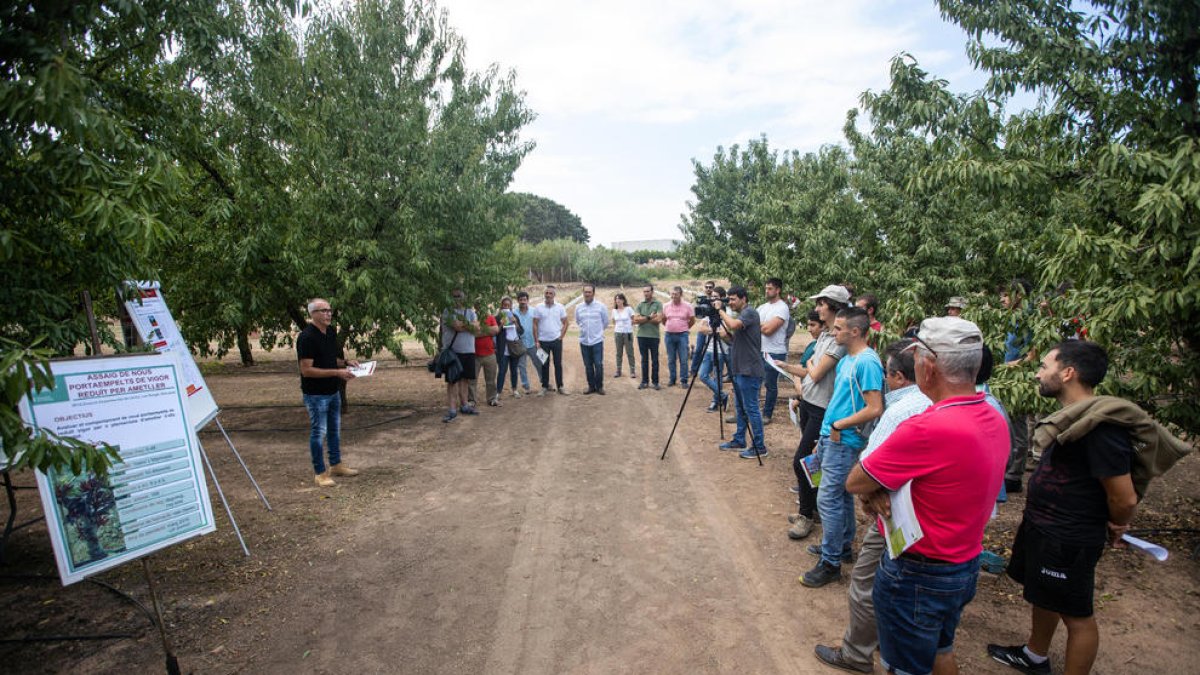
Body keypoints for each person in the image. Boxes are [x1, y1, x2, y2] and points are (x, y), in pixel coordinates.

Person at [846, 317, 1009, 675]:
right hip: (963, 563)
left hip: (918, 572)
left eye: (916, 355)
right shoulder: (993, 415)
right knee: (941, 650)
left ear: (929, 366)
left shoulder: (925, 428)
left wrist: (873, 491)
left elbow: (857, 481)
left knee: (904, 666)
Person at [987, 341, 1138, 675]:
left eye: (1045, 365)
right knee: (1045, 595)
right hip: (1046, 525)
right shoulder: (1072, 417)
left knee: (1076, 613)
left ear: (1068, 373)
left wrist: (1118, 524)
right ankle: (1035, 654)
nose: (1038, 373)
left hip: (1069, 536)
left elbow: (1124, 497)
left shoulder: (1101, 428)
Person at [813, 339, 932, 674]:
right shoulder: (940, 404)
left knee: (866, 581)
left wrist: (868, 494)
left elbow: (866, 471)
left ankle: (857, 652)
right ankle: (884, 638)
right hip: (918, 511)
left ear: (894, 376)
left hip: (897, 511)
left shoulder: (900, 410)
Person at [800, 306, 884, 588]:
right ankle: (841, 546)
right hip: (831, 438)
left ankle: (831, 562)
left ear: (855, 331)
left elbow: (875, 408)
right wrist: (826, 433)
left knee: (828, 499)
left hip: (844, 441)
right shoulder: (848, 358)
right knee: (839, 495)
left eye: (838, 328)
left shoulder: (867, 362)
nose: (833, 332)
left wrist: (839, 426)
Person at [778, 286, 849, 541]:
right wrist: (787, 366)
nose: (817, 309)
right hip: (810, 403)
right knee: (811, 463)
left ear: (832, 306)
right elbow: (812, 371)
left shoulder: (838, 341)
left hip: (822, 409)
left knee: (802, 461)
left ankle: (806, 515)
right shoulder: (824, 337)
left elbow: (816, 373)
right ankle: (813, 508)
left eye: (821, 304)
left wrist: (809, 366)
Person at [297, 299, 360, 487]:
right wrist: (337, 373)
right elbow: (306, 370)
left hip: (333, 391)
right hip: (316, 395)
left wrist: (347, 363)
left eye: (329, 310)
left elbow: (329, 359)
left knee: (334, 430)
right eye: (323, 310)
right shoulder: (306, 337)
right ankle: (320, 472)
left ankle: (336, 464)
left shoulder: (330, 332)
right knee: (319, 432)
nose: (328, 314)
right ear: (312, 314)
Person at [714, 286, 767, 459]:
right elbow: (737, 341)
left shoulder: (750, 313)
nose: (730, 302)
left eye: (733, 299)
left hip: (749, 369)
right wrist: (725, 336)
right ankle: (739, 439)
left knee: (751, 408)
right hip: (739, 369)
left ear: (744, 299)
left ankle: (759, 446)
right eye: (728, 299)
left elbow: (734, 324)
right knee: (740, 407)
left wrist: (720, 310)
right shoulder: (742, 315)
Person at [1001, 278, 1036, 494]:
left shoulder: (1029, 319)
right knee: (1009, 425)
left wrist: (1009, 366)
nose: (1003, 300)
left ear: (1020, 295)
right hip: (1008, 379)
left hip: (1020, 381)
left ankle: (1014, 475)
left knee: (1018, 425)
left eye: (1006, 295)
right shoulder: (1011, 319)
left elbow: (1034, 353)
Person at [441, 290, 479, 422]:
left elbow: (477, 328)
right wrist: (469, 325)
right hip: (453, 352)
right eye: (455, 296)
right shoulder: (448, 311)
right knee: (453, 381)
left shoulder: (470, 311)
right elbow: (456, 326)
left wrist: (466, 326)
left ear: (464, 297)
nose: (457, 298)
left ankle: (464, 405)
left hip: (468, 350)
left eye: (460, 296)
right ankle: (452, 409)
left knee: (465, 379)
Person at [758, 277, 791, 425]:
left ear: (778, 290)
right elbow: (754, 326)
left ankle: (767, 414)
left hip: (775, 351)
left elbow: (769, 330)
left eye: (770, 288)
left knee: (770, 384)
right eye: (766, 288)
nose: (767, 291)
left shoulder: (782, 307)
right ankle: (751, 411)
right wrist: (762, 326)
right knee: (755, 382)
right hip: (760, 350)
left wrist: (762, 326)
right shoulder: (762, 307)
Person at [696, 286, 729, 412]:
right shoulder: (709, 311)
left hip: (721, 351)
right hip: (708, 348)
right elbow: (701, 329)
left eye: (716, 297)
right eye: (712, 296)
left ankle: (715, 401)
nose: (713, 299)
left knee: (717, 377)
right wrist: (714, 331)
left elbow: (724, 334)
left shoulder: (725, 312)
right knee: (703, 375)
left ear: (722, 298)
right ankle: (722, 395)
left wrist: (711, 331)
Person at [532, 285, 569, 396]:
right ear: (544, 294)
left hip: (556, 341)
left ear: (554, 295)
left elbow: (566, 322)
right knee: (544, 364)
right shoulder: (538, 307)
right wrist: (536, 340)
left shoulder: (560, 307)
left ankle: (560, 387)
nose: (548, 295)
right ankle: (544, 387)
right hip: (542, 341)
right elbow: (534, 324)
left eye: (550, 293)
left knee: (558, 364)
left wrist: (561, 336)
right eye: (546, 293)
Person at [575, 283, 610, 394]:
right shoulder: (578, 307)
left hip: (597, 341)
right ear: (583, 293)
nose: (587, 294)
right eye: (585, 292)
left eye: (589, 292)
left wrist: (598, 332)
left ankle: (599, 387)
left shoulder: (601, 307)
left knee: (598, 364)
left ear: (593, 293)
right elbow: (578, 321)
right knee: (588, 366)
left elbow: (605, 322)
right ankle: (591, 386)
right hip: (584, 341)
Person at [662, 286, 695, 387]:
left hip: (682, 335)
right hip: (669, 335)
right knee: (671, 359)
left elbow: (692, 320)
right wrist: (671, 326)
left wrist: (684, 328)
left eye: (675, 294)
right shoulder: (666, 306)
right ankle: (672, 379)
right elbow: (663, 319)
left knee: (683, 359)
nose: (673, 296)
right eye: (672, 294)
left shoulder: (688, 306)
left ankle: (684, 380)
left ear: (681, 294)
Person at [634, 285, 664, 390]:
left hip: (654, 336)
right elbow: (635, 320)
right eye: (644, 291)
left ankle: (655, 382)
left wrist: (643, 318)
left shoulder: (658, 304)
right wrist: (650, 317)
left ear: (652, 292)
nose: (645, 293)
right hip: (641, 336)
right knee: (644, 360)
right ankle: (644, 381)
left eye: (647, 291)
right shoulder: (640, 304)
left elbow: (659, 320)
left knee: (655, 360)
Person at [470, 305, 500, 407]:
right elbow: (472, 333)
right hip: (475, 354)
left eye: (482, 305)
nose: (480, 307)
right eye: (478, 305)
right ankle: (471, 400)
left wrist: (480, 331)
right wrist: (488, 331)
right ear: (475, 307)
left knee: (491, 379)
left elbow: (496, 330)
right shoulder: (472, 318)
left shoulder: (491, 317)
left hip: (490, 354)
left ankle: (492, 399)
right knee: (472, 380)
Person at [495, 296, 522, 399]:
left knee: (514, 370)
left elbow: (521, 331)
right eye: (504, 305)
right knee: (502, 370)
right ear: (501, 306)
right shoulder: (497, 318)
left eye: (508, 305)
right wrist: (501, 324)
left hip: (514, 347)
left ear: (511, 306)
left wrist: (515, 322)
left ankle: (514, 389)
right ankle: (498, 392)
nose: (506, 307)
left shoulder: (514, 316)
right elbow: (495, 333)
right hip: (503, 349)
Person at [690, 281, 717, 376]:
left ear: (713, 288)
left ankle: (710, 371)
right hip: (703, 327)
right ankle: (693, 370)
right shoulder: (701, 299)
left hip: (713, 326)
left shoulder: (716, 300)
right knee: (698, 349)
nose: (708, 289)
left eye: (710, 287)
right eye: (707, 287)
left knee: (712, 349)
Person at [512, 291, 536, 395]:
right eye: (521, 300)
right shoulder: (514, 313)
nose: (523, 302)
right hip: (520, 344)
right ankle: (526, 387)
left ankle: (545, 383)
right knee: (522, 366)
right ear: (518, 301)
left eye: (524, 299)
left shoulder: (534, 311)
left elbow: (537, 325)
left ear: (527, 300)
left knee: (540, 362)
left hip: (533, 342)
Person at [612, 293, 636, 378]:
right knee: (619, 353)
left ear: (623, 300)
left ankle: (632, 371)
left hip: (628, 333)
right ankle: (618, 371)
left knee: (630, 352)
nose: (617, 300)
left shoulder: (628, 309)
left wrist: (628, 327)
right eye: (616, 299)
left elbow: (634, 320)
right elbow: (614, 321)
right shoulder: (614, 311)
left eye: (619, 299)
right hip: (618, 333)